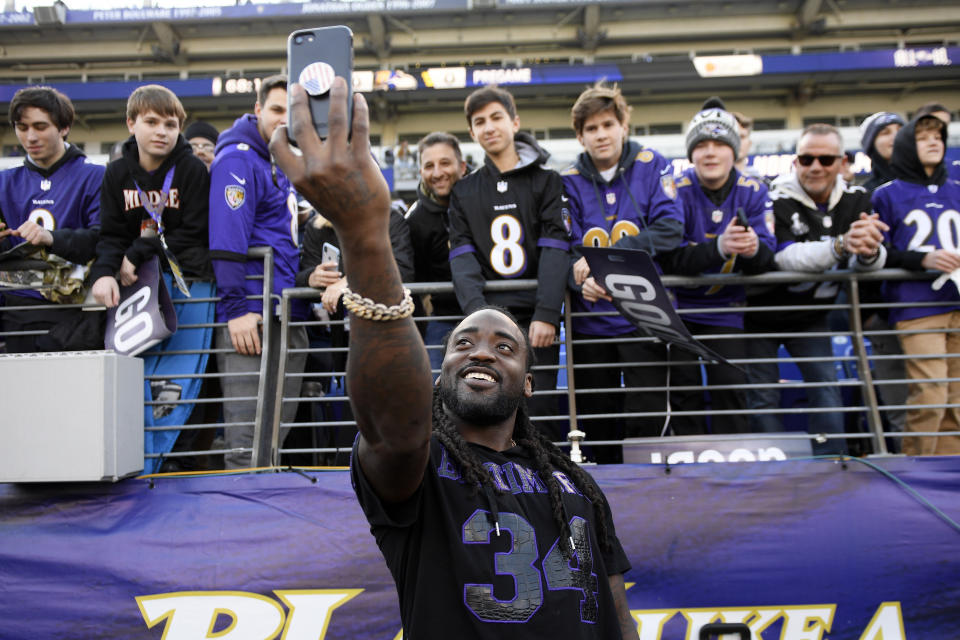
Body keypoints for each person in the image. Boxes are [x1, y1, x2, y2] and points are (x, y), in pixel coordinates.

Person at [271, 76, 639, 639]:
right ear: (435, 379)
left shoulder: (579, 486)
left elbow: (619, 618)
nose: (481, 352)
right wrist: (364, 232)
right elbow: (393, 421)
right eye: (461, 344)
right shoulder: (417, 465)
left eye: (505, 346)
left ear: (531, 384)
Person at [89, 84, 214, 473]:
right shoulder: (115, 173)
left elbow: (192, 233)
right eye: (151, 122)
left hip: (187, 284)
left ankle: (154, 466)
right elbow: (109, 233)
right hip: (135, 287)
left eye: (171, 123)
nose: (162, 130)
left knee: (174, 385)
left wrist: (136, 252)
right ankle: (132, 462)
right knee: (133, 376)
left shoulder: (191, 169)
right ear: (131, 123)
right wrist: (105, 271)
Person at [744, 123, 887, 455]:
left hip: (811, 317)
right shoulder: (773, 196)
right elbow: (782, 257)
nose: (816, 167)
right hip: (759, 316)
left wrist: (868, 252)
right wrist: (840, 246)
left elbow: (874, 259)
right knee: (762, 398)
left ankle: (832, 465)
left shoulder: (858, 199)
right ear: (795, 163)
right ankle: (773, 470)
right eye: (807, 159)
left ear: (841, 162)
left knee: (826, 391)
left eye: (825, 159)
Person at [560, 82, 684, 461]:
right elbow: (562, 250)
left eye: (607, 125)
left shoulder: (653, 164)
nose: (601, 135)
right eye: (591, 129)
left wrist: (605, 261)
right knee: (596, 423)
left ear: (623, 125)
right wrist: (578, 280)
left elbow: (671, 228)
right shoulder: (567, 180)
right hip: (591, 324)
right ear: (580, 136)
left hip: (643, 316)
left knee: (648, 419)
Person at [447, 86, 571, 439]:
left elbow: (555, 248)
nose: (489, 127)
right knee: (488, 407)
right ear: (472, 132)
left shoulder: (547, 181)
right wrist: (479, 318)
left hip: (536, 322)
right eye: (479, 122)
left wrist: (547, 312)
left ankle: (542, 485)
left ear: (514, 122)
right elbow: (463, 259)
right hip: (489, 318)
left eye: (496, 117)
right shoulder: (465, 191)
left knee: (539, 408)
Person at [208, 74, 309, 469]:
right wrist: (235, 309)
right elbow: (227, 238)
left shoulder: (280, 160)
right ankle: (239, 530)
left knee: (269, 445)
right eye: (276, 110)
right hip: (251, 314)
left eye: (293, 113)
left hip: (280, 311)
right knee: (246, 445)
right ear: (257, 110)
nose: (284, 121)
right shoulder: (238, 158)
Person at [659, 97, 776, 435]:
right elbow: (671, 258)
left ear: (734, 150)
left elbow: (769, 258)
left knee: (731, 390)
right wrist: (720, 247)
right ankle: (689, 471)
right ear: (691, 153)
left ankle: (732, 471)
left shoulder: (753, 191)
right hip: (680, 312)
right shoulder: (676, 191)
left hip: (727, 311)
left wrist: (754, 250)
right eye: (702, 145)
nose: (710, 152)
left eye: (719, 144)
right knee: (685, 394)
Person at [873, 114, 960, 456]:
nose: (934, 141)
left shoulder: (957, 190)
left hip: (956, 303)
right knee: (931, 394)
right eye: (924, 137)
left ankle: (951, 474)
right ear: (909, 145)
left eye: (938, 135)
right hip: (917, 305)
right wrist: (921, 260)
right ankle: (918, 471)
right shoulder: (886, 195)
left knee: (956, 399)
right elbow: (879, 253)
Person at [0, 86, 103, 353]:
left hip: (72, 313)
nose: (30, 136)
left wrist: (52, 239)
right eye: (22, 127)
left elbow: (103, 237)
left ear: (64, 127)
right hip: (13, 312)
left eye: (40, 126)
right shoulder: (4, 182)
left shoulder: (95, 177)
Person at [405, 131, 467, 371]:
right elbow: (416, 282)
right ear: (421, 171)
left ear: (461, 166)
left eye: (445, 163)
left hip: (492, 310)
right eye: (429, 165)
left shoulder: (481, 199)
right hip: (444, 318)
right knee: (435, 391)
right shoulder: (415, 219)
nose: (437, 172)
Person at [860, 111, 905, 192]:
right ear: (871, 145)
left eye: (901, 131)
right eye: (885, 133)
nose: (896, 136)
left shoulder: (927, 182)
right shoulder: (865, 194)